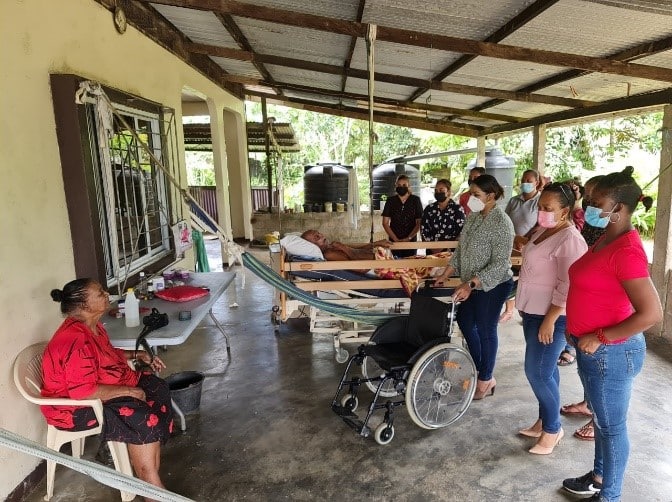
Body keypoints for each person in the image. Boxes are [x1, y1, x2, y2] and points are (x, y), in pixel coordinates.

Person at [561, 167, 661, 502]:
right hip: (593, 351)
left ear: (618, 209)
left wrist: (601, 336)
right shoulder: (607, 237)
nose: (587, 206)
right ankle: (600, 476)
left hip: (612, 353)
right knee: (603, 423)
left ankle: (610, 496)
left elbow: (652, 314)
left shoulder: (627, 251)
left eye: (595, 201)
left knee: (611, 428)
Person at [41, 279, 174, 497]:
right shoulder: (74, 340)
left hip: (103, 389)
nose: (106, 294)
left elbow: (106, 355)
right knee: (140, 414)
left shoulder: (93, 327)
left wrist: (135, 355)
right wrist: (130, 391)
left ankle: (148, 473)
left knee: (156, 386)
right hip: (75, 409)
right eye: (100, 293)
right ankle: (152, 490)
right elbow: (82, 391)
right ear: (84, 305)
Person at [514, 182, 587, 455]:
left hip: (553, 316)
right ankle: (544, 419)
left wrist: (550, 318)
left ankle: (553, 429)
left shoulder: (570, 239)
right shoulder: (544, 230)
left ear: (565, 211)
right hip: (532, 311)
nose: (542, 212)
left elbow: (568, 284)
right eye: (541, 207)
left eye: (548, 208)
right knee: (547, 371)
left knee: (537, 372)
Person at [434, 174, 514, 400]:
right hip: (470, 283)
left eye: (476, 195)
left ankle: (485, 379)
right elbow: (461, 250)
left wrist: (471, 283)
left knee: (486, 328)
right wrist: (446, 274)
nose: (471, 199)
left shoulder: (502, 223)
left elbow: (500, 263)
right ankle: (482, 370)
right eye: (471, 194)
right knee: (465, 321)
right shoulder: (473, 217)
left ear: (491, 196)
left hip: (493, 284)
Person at [559, 175, 608, 442]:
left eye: (593, 198)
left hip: (601, 312)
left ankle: (596, 417)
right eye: (585, 196)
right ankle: (588, 404)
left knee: (600, 370)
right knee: (586, 367)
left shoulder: (614, 236)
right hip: (584, 305)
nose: (588, 202)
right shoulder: (589, 224)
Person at [501, 169, 543, 322]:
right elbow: (505, 219)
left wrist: (524, 239)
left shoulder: (540, 201)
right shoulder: (514, 200)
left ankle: (525, 309)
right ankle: (509, 309)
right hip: (511, 244)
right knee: (508, 274)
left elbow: (540, 224)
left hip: (528, 244)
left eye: (529, 180)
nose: (525, 182)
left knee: (526, 277)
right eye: (523, 179)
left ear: (536, 183)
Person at [382, 174, 424, 257]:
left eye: (404, 185)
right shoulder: (390, 201)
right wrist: (395, 239)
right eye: (399, 185)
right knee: (396, 265)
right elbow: (385, 223)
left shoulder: (415, 200)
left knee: (410, 264)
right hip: (394, 239)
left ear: (409, 186)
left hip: (411, 240)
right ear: (395, 186)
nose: (401, 187)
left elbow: (419, 222)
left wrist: (409, 238)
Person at [421, 178, 465, 253]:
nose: (438, 192)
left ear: (448, 192)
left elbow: (461, 230)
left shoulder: (457, 209)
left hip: (450, 251)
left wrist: (445, 246)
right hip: (431, 250)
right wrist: (431, 247)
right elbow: (423, 229)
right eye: (436, 190)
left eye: (441, 190)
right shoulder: (429, 209)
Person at [301, 229, 390, 261]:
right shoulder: (329, 254)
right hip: (375, 266)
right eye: (316, 237)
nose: (321, 235)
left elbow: (357, 249)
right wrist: (342, 247)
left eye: (319, 233)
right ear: (312, 246)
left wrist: (376, 243)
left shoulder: (331, 246)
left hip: (379, 259)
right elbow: (355, 263)